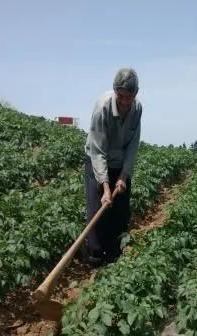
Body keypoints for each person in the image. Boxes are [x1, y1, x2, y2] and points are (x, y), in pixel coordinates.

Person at [84, 68, 141, 266]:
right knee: (97, 210)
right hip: (97, 161)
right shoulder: (102, 108)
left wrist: (123, 176)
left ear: (136, 94)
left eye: (130, 97)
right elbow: (98, 150)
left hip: (120, 162)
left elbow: (133, 146)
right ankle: (95, 258)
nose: (125, 102)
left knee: (121, 212)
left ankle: (114, 257)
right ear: (115, 91)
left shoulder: (137, 109)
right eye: (121, 96)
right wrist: (105, 186)